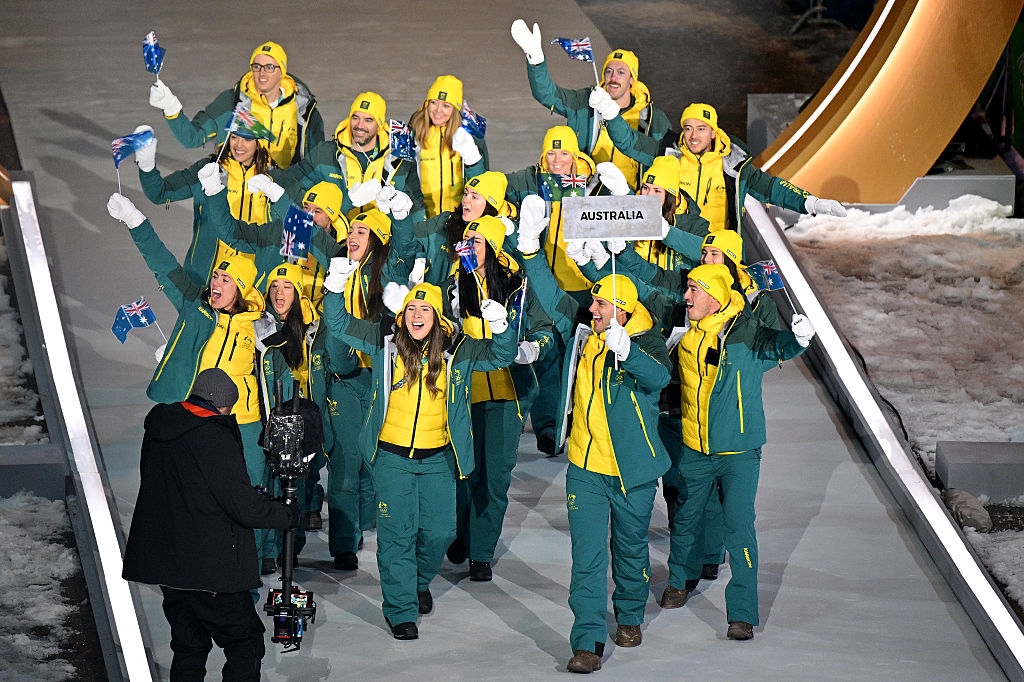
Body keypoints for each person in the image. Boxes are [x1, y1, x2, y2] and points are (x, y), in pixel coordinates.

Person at [515, 218, 672, 673]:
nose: (593, 309)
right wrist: (529, 252)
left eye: (602, 303)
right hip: (584, 468)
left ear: (622, 310)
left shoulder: (648, 341)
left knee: (629, 549)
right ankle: (586, 640)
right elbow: (551, 295)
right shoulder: (584, 335)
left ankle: (629, 612)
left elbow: (660, 378)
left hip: (633, 472)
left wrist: (628, 352)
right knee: (586, 558)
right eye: (594, 301)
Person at [320, 278, 516, 640]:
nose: (416, 315)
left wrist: (502, 327)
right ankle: (400, 610)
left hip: (438, 459)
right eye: (410, 308)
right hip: (391, 458)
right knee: (397, 535)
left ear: (439, 318)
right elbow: (337, 322)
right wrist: (334, 285)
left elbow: (503, 356)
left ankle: (417, 581)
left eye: (425, 309)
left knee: (441, 531)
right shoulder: (384, 343)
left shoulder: (460, 351)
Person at [107, 189, 280, 573]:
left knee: (253, 487)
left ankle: (263, 554)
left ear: (242, 288)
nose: (216, 284)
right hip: (196, 416)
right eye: (215, 276)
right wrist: (136, 220)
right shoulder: (196, 308)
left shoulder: (260, 326)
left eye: (225, 280)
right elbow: (163, 264)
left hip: (245, 420)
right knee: (194, 489)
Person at [660, 264, 815, 641]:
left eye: (694, 290)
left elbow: (778, 346)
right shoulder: (688, 335)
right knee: (685, 518)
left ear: (714, 297)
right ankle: (680, 580)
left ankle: (742, 613)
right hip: (695, 448)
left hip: (738, 451)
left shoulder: (745, 333)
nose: (687, 297)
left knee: (739, 528)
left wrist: (801, 339)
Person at [122, 368, 298, 682]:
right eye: (230, 409)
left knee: (189, 646)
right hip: (210, 569)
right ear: (220, 405)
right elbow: (241, 505)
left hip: (170, 569)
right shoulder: (211, 436)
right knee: (244, 643)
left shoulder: (161, 427)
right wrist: (284, 515)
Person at [437, 215, 554, 580]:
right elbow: (439, 328)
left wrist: (533, 349)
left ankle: (482, 553)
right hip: (464, 392)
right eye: (467, 240)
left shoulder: (518, 286)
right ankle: (461, 533)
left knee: (495, 478)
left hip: (507, 396)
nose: (469, 246)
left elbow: (545, 329)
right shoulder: (453, 285)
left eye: (478, 241)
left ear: (493, 247)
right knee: (461, 470)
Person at [505, 126, 630, 456]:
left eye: (563, 154)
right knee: (548, 354)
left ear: (576, 156)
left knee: (584, 356)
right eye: (551, 153)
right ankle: (548, 425)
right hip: (547, 285)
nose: (557, 160)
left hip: (587, 288)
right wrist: (504, 210)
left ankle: (584, 419)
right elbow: (498, 187)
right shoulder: (532, 180)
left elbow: (625, 216)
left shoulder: (593, 186)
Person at [593, 100, 848, 232]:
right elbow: (629, 142)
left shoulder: (734, 164)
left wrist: (811, 203)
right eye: (689, 128)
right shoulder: (667, 153)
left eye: (701, 129)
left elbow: (770, 188)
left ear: (714, 133)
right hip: (673, 248)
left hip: (717, 255)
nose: (693, 136)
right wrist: (612, 115)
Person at [510, 20, 671, 190]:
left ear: (632, 79)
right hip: (587, 196)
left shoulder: (652, 117)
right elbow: (548, 95)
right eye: (609, 71)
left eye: (621, 72)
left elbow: (667, 163)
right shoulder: (586, 102)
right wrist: (536, 59)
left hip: (633, 200)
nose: (613, 78)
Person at [135, 124, 274, 285]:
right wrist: (146, 164)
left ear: (259, 142)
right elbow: (159, 193)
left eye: (247, 139)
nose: (239, 145)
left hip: (251, 283)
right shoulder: (208, 170)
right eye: (234, 137)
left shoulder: (274, 177)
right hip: (205, 278)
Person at [149, 41, 323, 169]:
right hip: (241, 195)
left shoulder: (304, 110)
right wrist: (170, 107)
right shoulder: (232, 102)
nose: (262, 73)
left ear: (281, 72)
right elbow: (192, 138)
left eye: (270, 67)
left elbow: (317, 162)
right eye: (257, 66)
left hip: (285, 195)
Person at [270, 92, 425, 222]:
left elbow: (416, 206)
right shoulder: (324, 154)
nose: (359, 125)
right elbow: (289, 186)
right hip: (334, 245)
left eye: (368, 120)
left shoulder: (399, 160)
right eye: (355, 117)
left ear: (379, 126)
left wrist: (419, 252)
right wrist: (342, 202)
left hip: (384, 248)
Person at [409, 75, 488, 218]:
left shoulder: (468, 135)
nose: (438, 110)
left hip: (458, 219)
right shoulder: (415, 132)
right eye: (434, 102)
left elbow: (482, 182)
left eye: (446, 105)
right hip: (423, 221)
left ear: (455, 109)